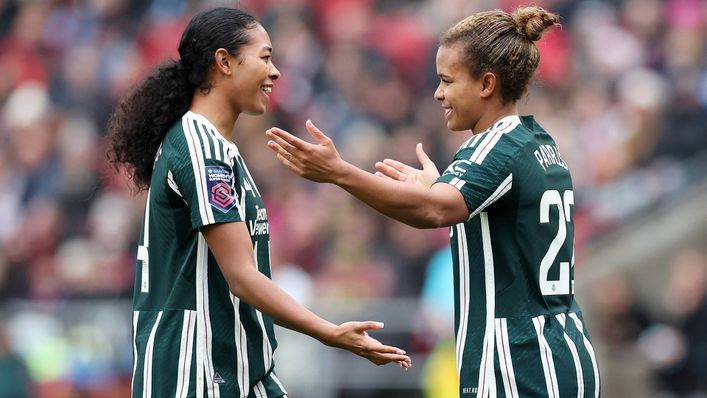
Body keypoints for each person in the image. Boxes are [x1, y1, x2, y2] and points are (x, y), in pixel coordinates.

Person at [266, 6, 600, 397]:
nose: (438, 93)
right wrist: (443, 185)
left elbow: (432, 210)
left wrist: (338, 172)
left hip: (519, 361)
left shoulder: (494, 147)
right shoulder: (537, 141)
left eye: (447, 80)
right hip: (561, 349)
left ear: (486, 84)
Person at [107, 7, 410, 398]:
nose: (275, 72)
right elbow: (242, 275)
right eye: (265, 57)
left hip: (239, 369)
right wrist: (329, 331)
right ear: (224, 62)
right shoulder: (200, 149)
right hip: (195, 374)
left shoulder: (217, 148)